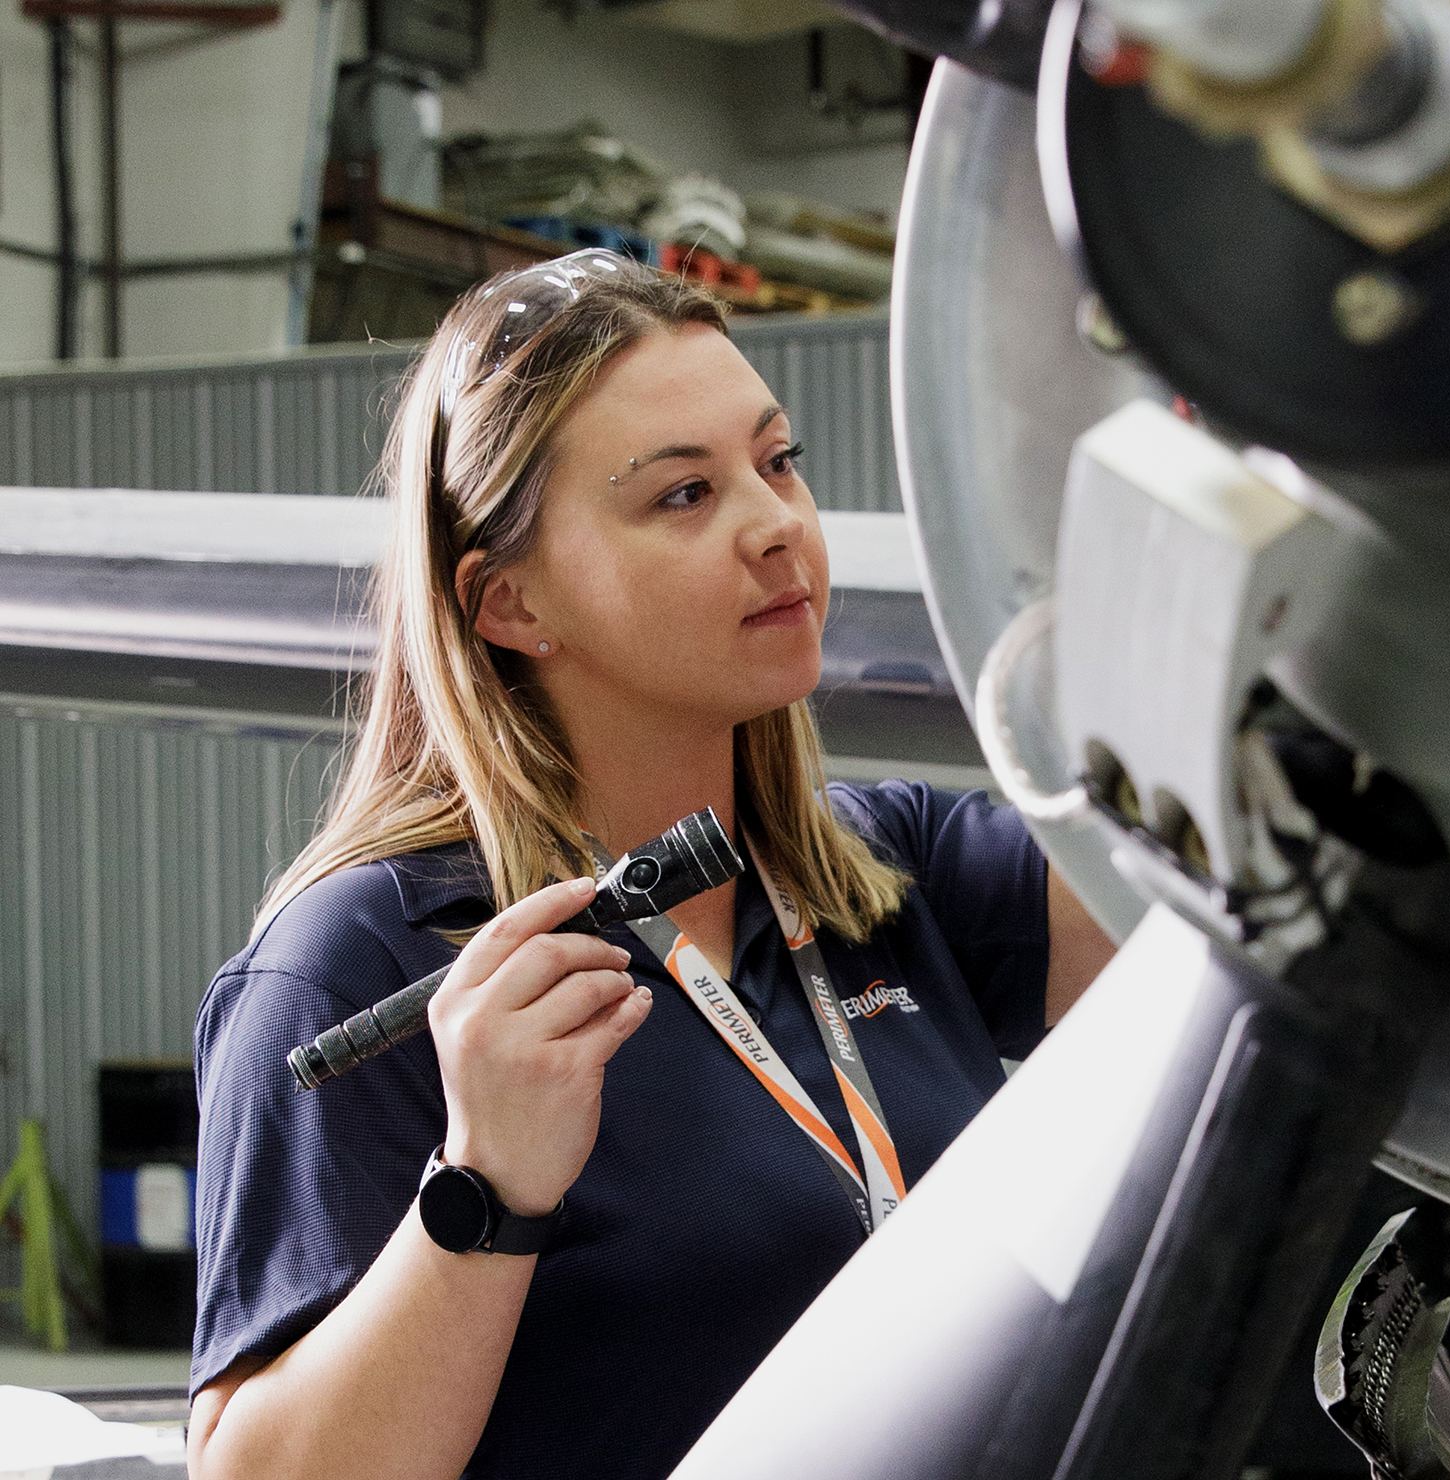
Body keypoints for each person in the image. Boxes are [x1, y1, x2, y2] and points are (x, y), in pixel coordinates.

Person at [186, 249, 1116, 1480]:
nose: (777, 526)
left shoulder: (885, 871)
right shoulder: (358, 965)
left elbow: (1241, 908)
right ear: (509, 604)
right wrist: (485, 1187)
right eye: (683, 495)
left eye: (777, 463)